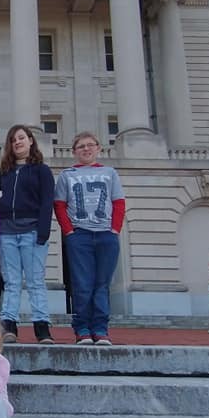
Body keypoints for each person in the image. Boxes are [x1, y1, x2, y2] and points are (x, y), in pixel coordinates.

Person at [0, 125, 55, 344]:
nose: (17, 142)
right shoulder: (5, 171)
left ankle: (42, 328)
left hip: (32, 232)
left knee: (35, 282)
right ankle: (9, 326)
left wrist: (43, 231)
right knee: (11, 282)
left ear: (31, 141)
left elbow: (47, 202)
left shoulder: (41, 170)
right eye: (13, 140)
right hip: (7, 233)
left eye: (21, 138)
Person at [54, 132, 125, 346]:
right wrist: (69, 232)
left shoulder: (110, 173)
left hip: (106, 235)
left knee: (101, 284)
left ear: (98, 148)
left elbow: (119, 202)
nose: (86, 149)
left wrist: (114, 230)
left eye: (90, 145)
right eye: (81, 146)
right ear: (74, 151)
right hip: (80, 234)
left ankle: (101, 329)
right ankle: (82, 328)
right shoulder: (67, 174)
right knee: (82, 284)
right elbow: (59, 204)